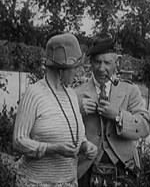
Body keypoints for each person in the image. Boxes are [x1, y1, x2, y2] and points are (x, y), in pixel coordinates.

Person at [13, 32, 98, 187]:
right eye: (75, 68)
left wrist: (85, 145)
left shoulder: (71, 95)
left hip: (68, 182)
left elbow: (76, 135)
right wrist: (52, 149)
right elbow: (18, 141)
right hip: (36, 182)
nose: (80, 72)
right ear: (61, 69)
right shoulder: (34, 94)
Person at [75, 37, 150, 187]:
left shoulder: (130, 91)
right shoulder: (77, 92)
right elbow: (64, 130)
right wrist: (78, 111)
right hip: (85, 168)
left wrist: (118, 116)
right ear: (90, 63)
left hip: (124, 167)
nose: (101, 68)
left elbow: (145, 127)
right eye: (97, 62)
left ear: (116, 64)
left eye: (107, 62)